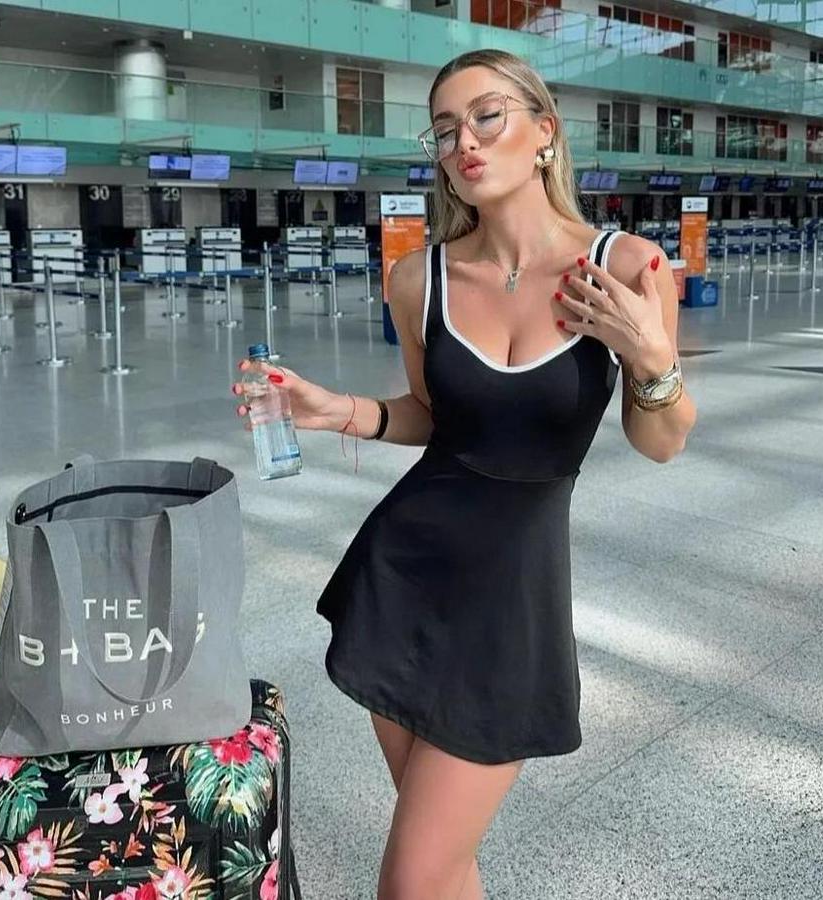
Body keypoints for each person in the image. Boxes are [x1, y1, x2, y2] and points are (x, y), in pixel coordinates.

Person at [233, 49, 697, 900]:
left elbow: (660, 442)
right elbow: (431, 416)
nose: (465, 143)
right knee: (442, 867)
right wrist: (334, 408)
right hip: (403, 578)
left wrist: (652, 358)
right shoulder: (419, 278)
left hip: (512, 601)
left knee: (414, 877)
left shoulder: (628, 268)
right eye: (445, 131)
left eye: (487, 117)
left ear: (545, 132)